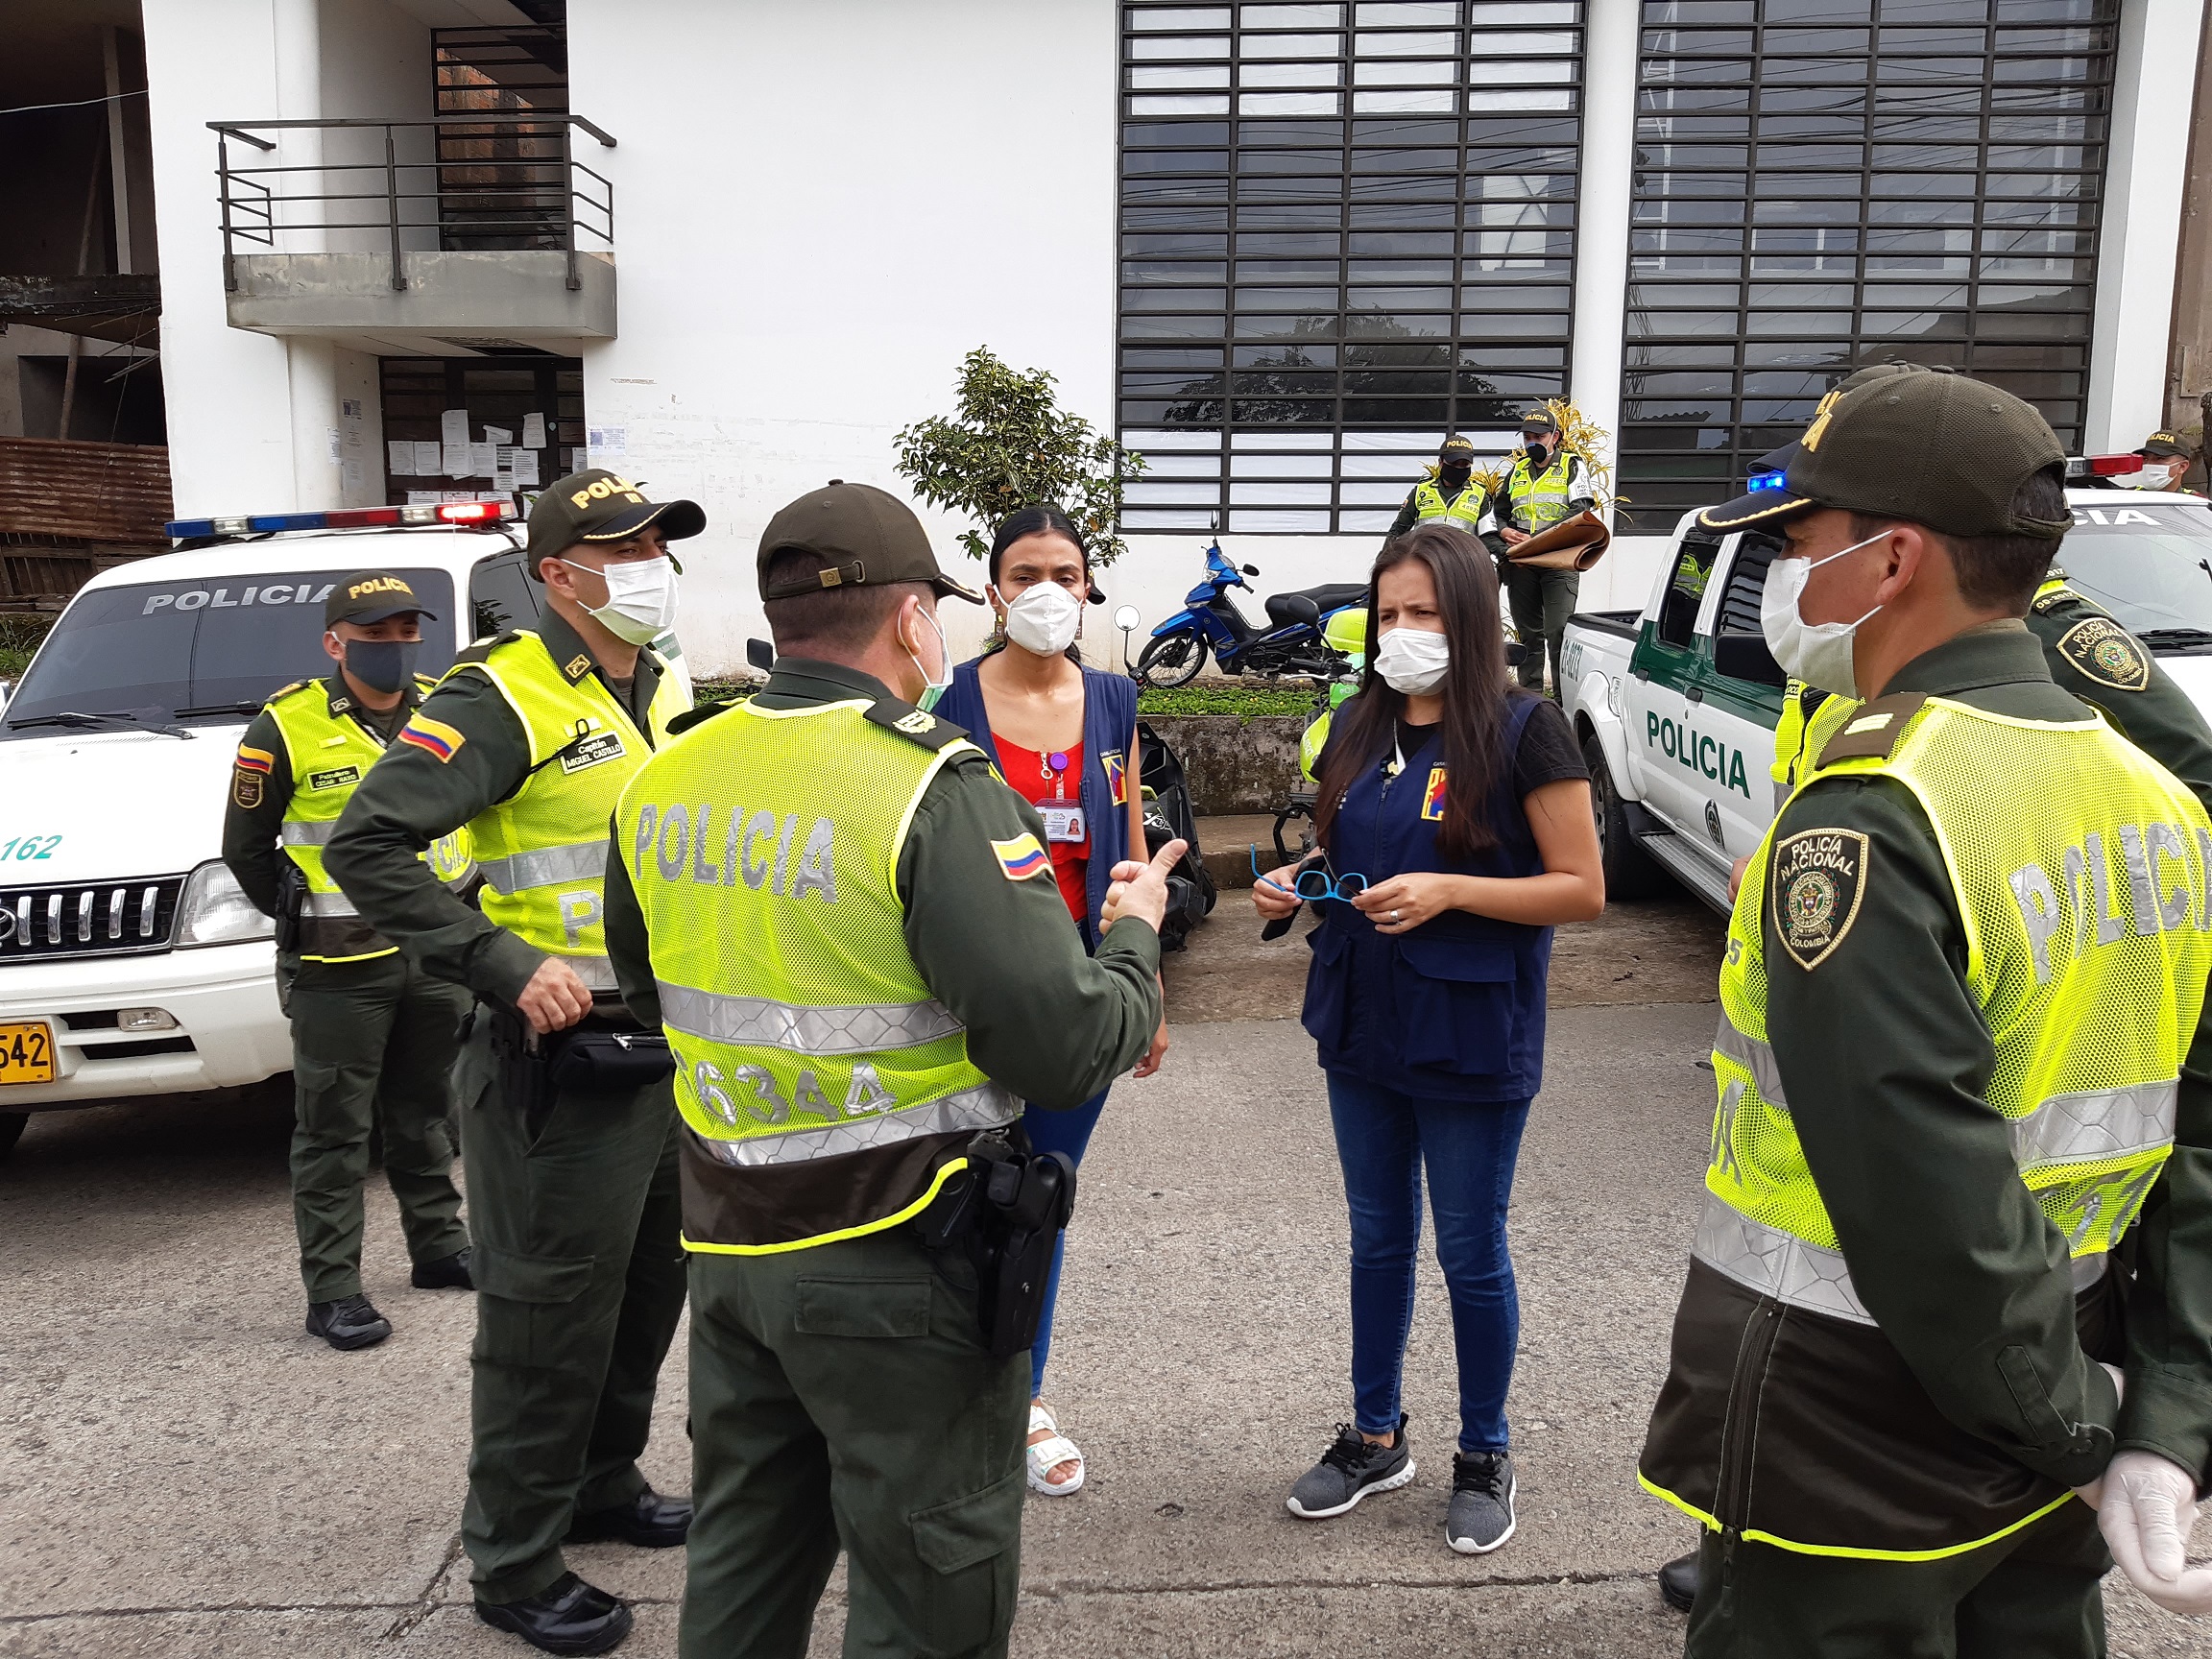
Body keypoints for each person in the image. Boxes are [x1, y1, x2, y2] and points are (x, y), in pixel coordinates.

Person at [1638, 372, 2212, 1655]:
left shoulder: (1878, 815)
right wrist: (2156, 1420)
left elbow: (1921, 1189)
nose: (1786, 578)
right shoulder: (2160, 806)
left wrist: (2079, 1425)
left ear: (1891, 559)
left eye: (1797, 543)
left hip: (1851, 1430)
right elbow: (2198, 1148)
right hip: (2062, 1384)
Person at [600, 479, 1176, 1659]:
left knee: (745, 1573)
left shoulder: (665, 780)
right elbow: (1061, 1042)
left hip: (731, 1245)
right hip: (899, 1258)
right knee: (928, 1597)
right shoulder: (929, 784)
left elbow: (652, 989)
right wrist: (1135, 941)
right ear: (915, 621)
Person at [324, 471, 704, 1656]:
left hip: (660, 1047)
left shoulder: (665, 681)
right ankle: (511, 1556)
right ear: (556, 572)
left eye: (653, 539)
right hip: (557, 1058)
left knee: (646, 1291)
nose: (644, 559)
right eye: (617, 545)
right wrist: (490, 957)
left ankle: (600, 1478)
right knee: (547, 1314)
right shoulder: (502, 693)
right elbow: (368, 844)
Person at [1251, 521, 1604, 1556]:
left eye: (1425, 612)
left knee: (1468, 1248)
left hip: (1468, 1028)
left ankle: (1484, 1452)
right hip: (1362, 1019)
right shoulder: (1360, 723)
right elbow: (1339, 849)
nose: (1404, 631)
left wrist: (1455, 888)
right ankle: (1374, 1436)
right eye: (1390, 612)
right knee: (1376, 1238)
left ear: (1470, 617)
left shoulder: (1527, 728)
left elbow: (1581, 889)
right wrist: (1293, 885)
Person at [930, 503, 1166, 1498]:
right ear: (991, 590)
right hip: (971, 1000)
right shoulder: (949, 702)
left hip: (1080, 995)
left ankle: (1023, 1399)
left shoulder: (1115, 702)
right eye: (1023, 572)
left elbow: (1132, 846)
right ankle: (948, 1398)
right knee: (952, 1200)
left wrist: (1142, 983)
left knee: (1041, 1202)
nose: (1045, 591)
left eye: (1064, 573)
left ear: (1087, 587)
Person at [220, 571, 474, 1352]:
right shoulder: (285, 726)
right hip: (339, 969)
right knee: (333, 1130)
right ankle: (333, 1290)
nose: (395, 648)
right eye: (376, 635)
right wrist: (306, 922)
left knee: (427, 1113)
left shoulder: (447, 710)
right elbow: (248, 853)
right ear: (336, 643)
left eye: (406, 633)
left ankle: (438, 1248)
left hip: (436, 958)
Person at [1487, 409, 1596, 697]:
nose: (1532, 441)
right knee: (1528, 635)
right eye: (1528, 437)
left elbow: (1581, 509)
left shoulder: (1572, 465)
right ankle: (1532, 700)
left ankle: (1562, 702)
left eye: (1539, 436)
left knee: (1558, 631)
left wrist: (1540, 537)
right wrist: (1502, 531)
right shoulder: (1517, 471)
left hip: (1558, 560)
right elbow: (1498, 514)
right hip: (1522, 562)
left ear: (1555, 437)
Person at [1385, 434, 1495, 542]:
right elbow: (1398, 530)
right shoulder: (1421, 491)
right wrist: (1384, 558)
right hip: (1425, 556)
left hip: (1461, 558)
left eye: (1464, 464)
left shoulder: (1480, 494)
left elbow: (1488, 537)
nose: (1459, 468)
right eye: (1454, 463)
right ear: (1441, 463)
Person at [2122, 429, 2197, 492]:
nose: (2149, 464)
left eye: (2159, 458)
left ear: (2182, 467)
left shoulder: (2196, 503)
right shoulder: (2126, 498)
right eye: (2145, 459)